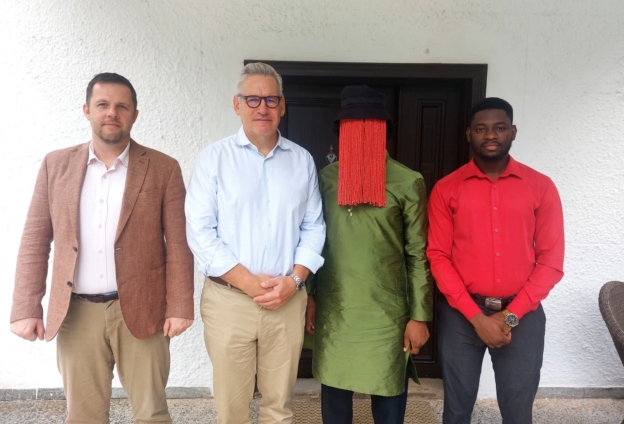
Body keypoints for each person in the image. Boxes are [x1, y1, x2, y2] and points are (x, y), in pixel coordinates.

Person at [10, 72, 195, 423]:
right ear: (87, 110)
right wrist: (25, 307)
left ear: (134, 115)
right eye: (103, 105)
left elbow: (179, 244)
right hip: (76, 312)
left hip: (143, 310)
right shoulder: (55, 165)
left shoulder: (163, 168)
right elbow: (35, 239)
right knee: (84, 416)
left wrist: (180, 305)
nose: (112, 113)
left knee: (152, 414)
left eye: (122, 106)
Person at [185, 62, 326, 424]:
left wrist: (294, 281)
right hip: (229, 301)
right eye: (252, 99)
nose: (262, 107)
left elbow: (314, 227)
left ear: (282, 105)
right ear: (237, 104)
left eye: (270, 99)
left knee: (279, 408)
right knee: (232, 409)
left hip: (287, 300)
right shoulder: (213, 159)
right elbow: (200, 231)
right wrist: (250, 284)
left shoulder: (302, 161)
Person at [427, 97, 565, 424]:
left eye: (499, 128)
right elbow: (438, 256)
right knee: (456, 410)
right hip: (462, 315)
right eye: (481, 129)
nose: (490, 135)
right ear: (469, 134)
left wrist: (509, 317)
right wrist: (477, 318)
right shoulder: (446, 189)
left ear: (513, 132)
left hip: (523, 315)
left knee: (518, 413)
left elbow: (551, 261)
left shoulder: (541, 187)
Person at [306, 85, 434, 424]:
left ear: (384, 132)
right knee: (335, 395)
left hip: (387, 315)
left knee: (388, 396)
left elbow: (418, 255)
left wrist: (419, 316)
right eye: (353, 127)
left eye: (370, 126)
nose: (361, 134)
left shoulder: (407, 181)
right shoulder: (326, 178)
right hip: (337, 310)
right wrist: (310, 296)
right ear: (340, 132)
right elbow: (314, 240)